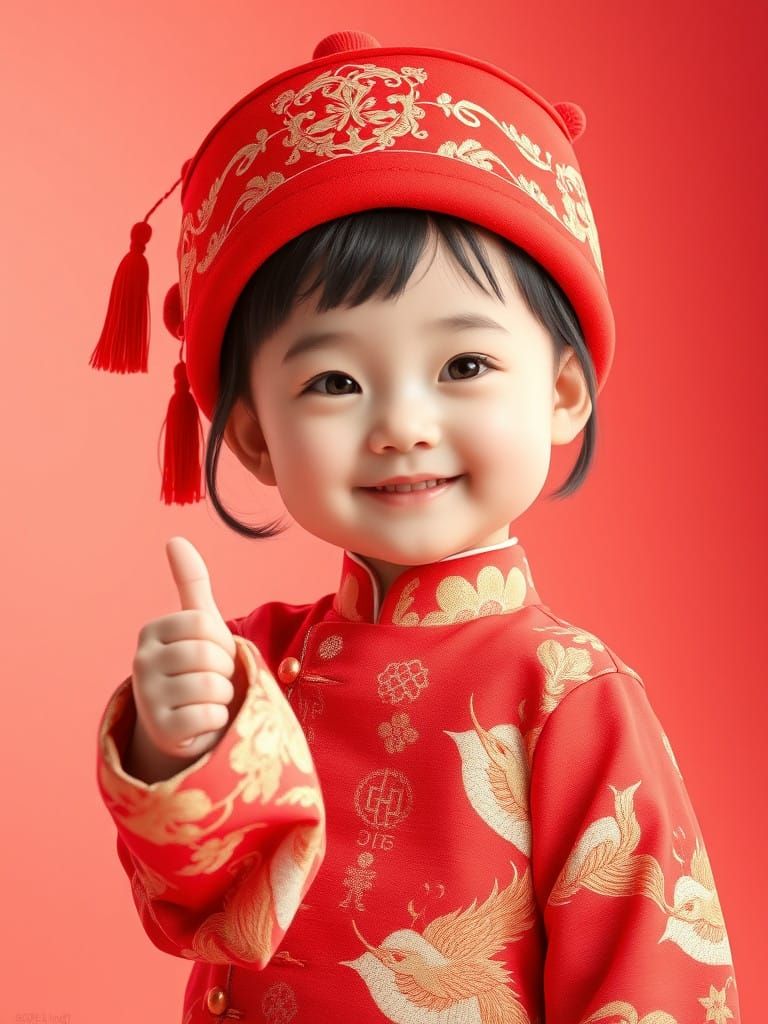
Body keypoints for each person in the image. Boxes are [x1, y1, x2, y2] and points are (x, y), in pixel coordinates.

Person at [90, 29, 742, 1024]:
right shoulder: (253, 667)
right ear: (256, 438)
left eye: (464, 366)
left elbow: (651, 980)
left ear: (563, 393)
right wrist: (174, 741)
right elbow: (196, 906)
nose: (400, 424)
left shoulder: (570, 694)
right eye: (335, 380)